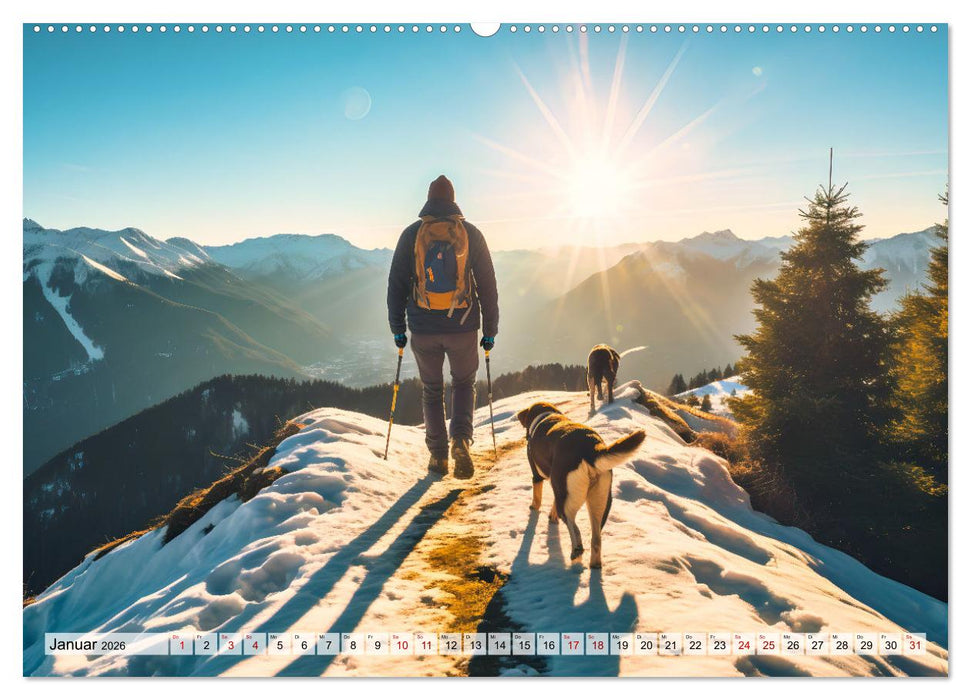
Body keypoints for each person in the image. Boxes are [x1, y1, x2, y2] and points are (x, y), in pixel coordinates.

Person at [387, 175, 499, 478]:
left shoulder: (412, 235)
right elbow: (487, 285)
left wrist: (398, 328)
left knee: (432, 390)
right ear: (453, 200)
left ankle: (438, 455)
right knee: (463, 384)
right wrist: (490, 329)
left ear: (428, 200)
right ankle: (460, 439)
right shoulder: (470, 234)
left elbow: (396, 283)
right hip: (462, 327)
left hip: (423, 328)